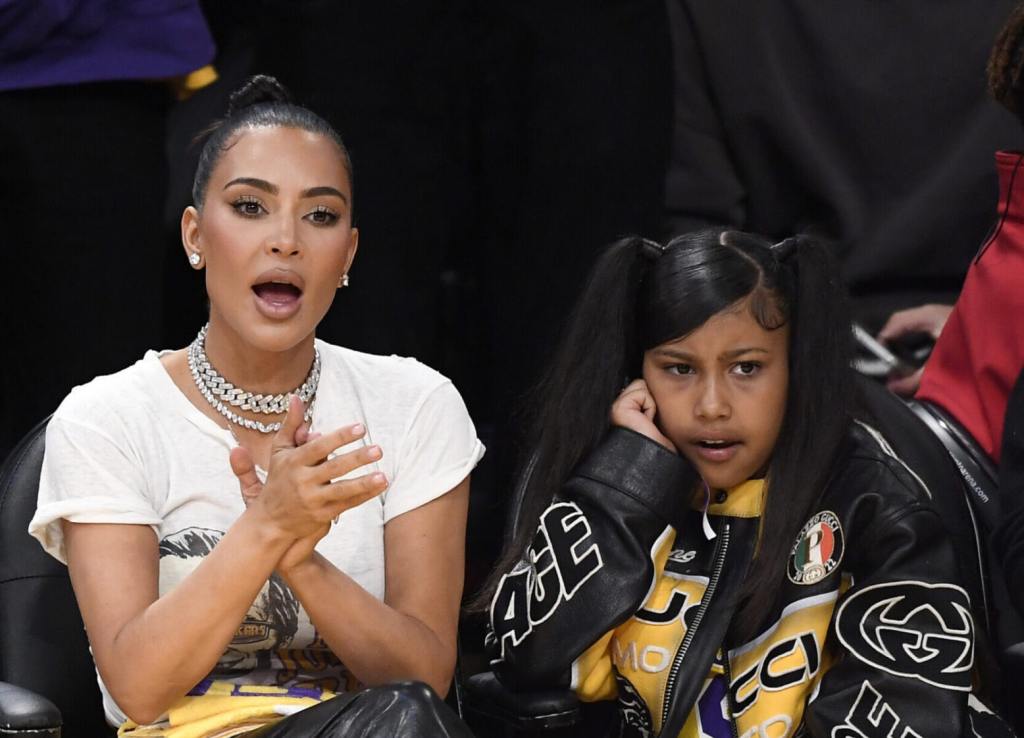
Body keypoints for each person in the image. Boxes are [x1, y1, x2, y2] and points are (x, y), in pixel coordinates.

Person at [27, 76, 483, 737]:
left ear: (347, 255)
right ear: (194, 235)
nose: (287, 240)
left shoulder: (415, 406)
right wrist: (267, 527)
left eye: (320, 216)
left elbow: (423, 680)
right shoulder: (107, 418)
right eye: (249, 207)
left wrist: (302, 560)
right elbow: (138, 689)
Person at [480, 230, 1012, 737]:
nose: (713, 406)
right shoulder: (611, 477)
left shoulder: (874, 505)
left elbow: (908, 715)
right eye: (679, 369)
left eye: (747, 368)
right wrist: (628, 482)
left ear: (793, 369)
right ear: (637, 375)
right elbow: (523, 659)